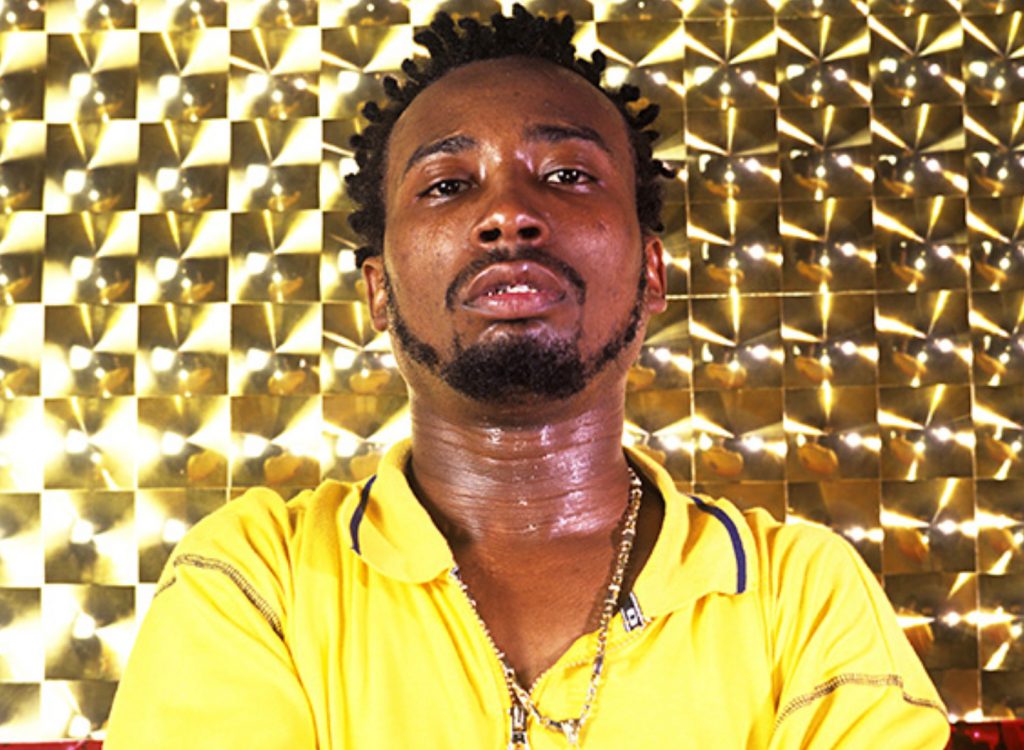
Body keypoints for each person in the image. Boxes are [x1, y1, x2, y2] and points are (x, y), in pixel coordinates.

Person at [105, 7, 950, 748]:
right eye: (448, 184)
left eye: (568, 176)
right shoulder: (255, 580)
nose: (509, 213)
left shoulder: (801, 592)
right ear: (378, 291)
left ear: (652, 272)